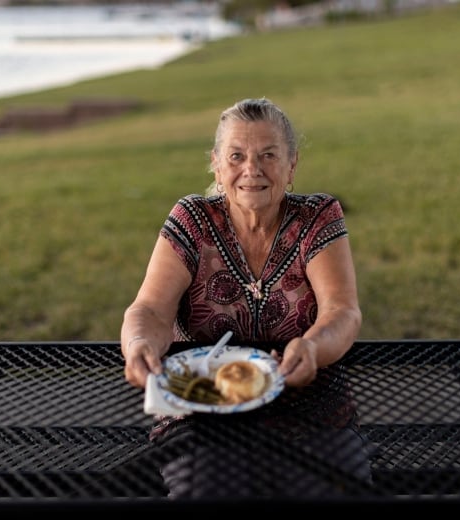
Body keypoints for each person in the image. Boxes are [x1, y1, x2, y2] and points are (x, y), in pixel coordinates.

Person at [120, 97, 370, 497]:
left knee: (335, 495)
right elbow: (150, 308)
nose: (251, 170)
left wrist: (312, 347)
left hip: (309, 403)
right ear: (217, 165)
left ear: (292, 166)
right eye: (236, 156)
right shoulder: (192, 219)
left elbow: (341, 310)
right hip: (201, 406)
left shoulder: (317, 217)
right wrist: (138, 345)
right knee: (206, 494)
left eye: (268, 155)